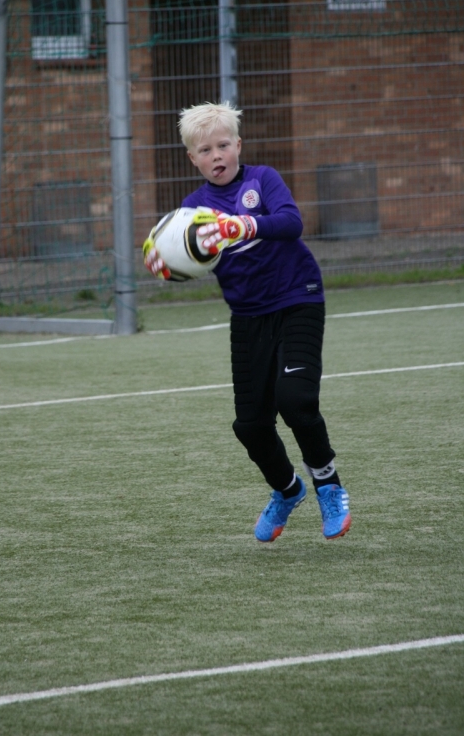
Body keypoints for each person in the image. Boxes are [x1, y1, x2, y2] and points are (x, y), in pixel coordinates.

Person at [143, 101, 351, 543]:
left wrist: (243, 225)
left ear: (238, 145)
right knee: (250, 426)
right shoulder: (192, 210)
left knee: (295, 399)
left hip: (297, 299)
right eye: (205, 150)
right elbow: (187, 254)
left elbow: (291, 223)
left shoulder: (262, 180)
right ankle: (287, 490)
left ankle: (328, 485)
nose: (216, 155)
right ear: (193, 158)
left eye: (223, 145)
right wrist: (165, 261)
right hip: (248, 317)